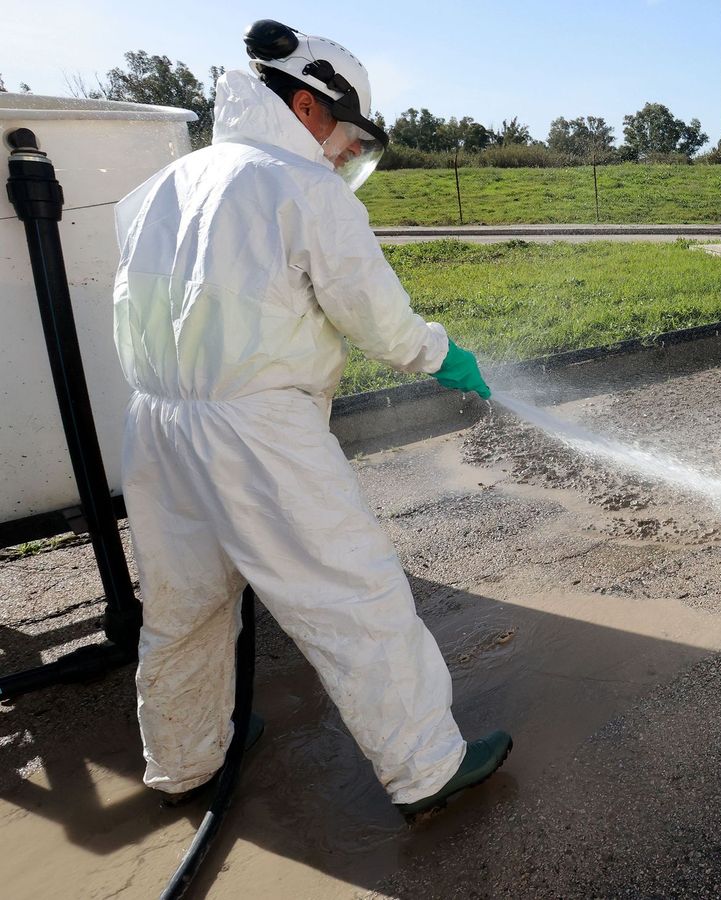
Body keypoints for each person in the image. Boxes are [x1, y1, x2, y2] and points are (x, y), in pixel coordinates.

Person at [111, 19, 509, 820]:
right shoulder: (300, 188)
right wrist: (441, 356)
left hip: (156, 426)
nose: (345, 154)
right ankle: (428, 767)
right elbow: (375, 315)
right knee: (349, 593)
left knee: (182, 604)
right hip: (258, 430)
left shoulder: (161, 188)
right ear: (305, 106)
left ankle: (186, 759)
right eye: (345, 135)